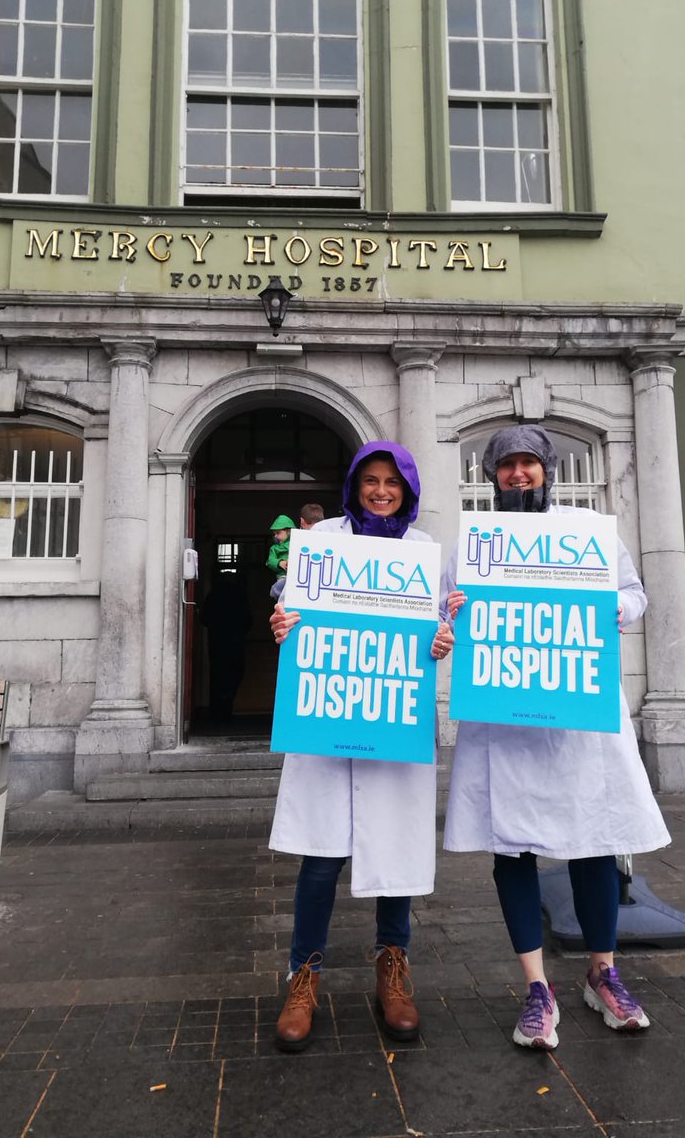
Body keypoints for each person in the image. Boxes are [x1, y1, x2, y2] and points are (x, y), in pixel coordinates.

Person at [442, 424, 670, 1051]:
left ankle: (603, 973)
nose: (519, 474)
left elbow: (634, 595)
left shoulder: (587, 533)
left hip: (578, 719)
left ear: (547, 471)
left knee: (594, 840)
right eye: (507, 466)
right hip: (504, 720)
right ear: (492, 478)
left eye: (529, 464)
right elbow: (443, 612)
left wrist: (612, 611)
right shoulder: (473, 545)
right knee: (513, 847)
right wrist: (452, 615)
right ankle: (537, 988)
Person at [268, 442, 454, 1052]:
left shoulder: (423, 552)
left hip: (394, 718)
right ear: (354, 485)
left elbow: (440, 622)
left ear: (408, 490)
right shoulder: (322, 540)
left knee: (395, 849)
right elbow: (291, 608)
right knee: (321, 857)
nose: (380, 491)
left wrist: (440, 640)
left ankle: (393, 972)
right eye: (370, 480)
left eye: (392, 482)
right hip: (329, 721)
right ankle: (303, 978)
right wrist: (283, 623)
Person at [199, 570, 251, 722]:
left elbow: (204, 618)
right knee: (235, 672)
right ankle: (227, 703)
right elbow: (248, 620)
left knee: (217, 674)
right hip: (235, 640)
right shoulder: (239, 596)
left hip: (217, 640)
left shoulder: (213, 595)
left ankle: (218, 710)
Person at [266, 515, 295, 581]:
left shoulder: (297, 543)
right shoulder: (274, 548)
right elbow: (270, 561)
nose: (275, 536)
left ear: (288, 531)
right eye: (274, 534)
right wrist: (279, 563)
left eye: (278, 533)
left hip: (297, 576)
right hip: (283, 576)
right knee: (276, 589)